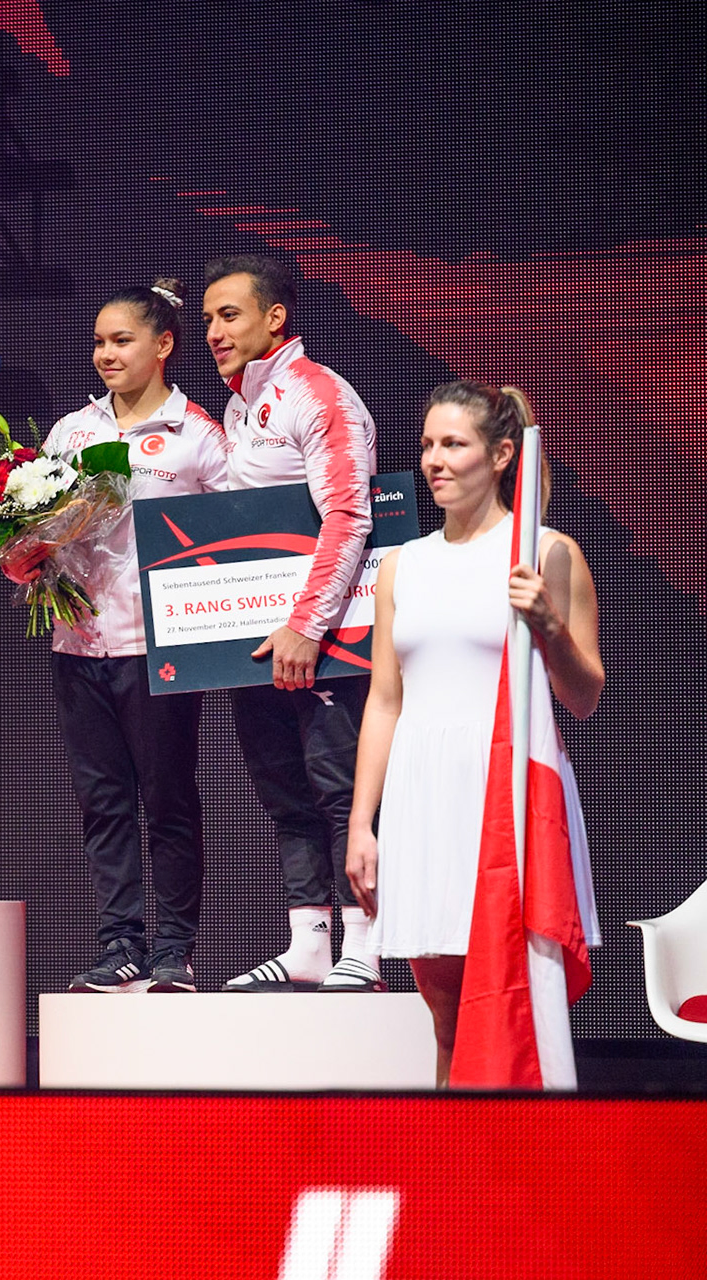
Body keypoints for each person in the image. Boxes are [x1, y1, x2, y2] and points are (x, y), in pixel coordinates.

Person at [346, 382, 602, 1085]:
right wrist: (361, 825)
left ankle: (528, 1166)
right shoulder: (403, 565)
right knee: (446, 1013)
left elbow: (582, 698)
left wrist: (550, 627)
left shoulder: (547, 553)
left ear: (501, 455)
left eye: (453, 444)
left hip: (510, 794)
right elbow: (385, 701)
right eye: (427, 444)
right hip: (424, 797)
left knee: (518, 1004)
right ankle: (457, 1174)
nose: (434, 460)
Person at [10, 278, 228, 992]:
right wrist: (18, 551)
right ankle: (119, 945)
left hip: (159, 645)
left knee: (167, 796)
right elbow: (31, 540)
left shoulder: (199, 435)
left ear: (163, 345)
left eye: (121, 340)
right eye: (99, 342)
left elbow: (237, 539)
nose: (104, 353)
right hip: (78, 645)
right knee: (102, 801)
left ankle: (174, 948)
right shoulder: (72, 431)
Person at [202, 254, 383, 992]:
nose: (213, 331)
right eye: (208, 317)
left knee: (340, 787)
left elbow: (349, 516)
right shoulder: (239, 408)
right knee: (281, 786)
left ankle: (366, 948)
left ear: (275, 317)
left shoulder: (321, 395)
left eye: (229, 315)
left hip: (327, 638)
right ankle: (310, 941)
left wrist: (308, 626)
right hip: (253, 638)